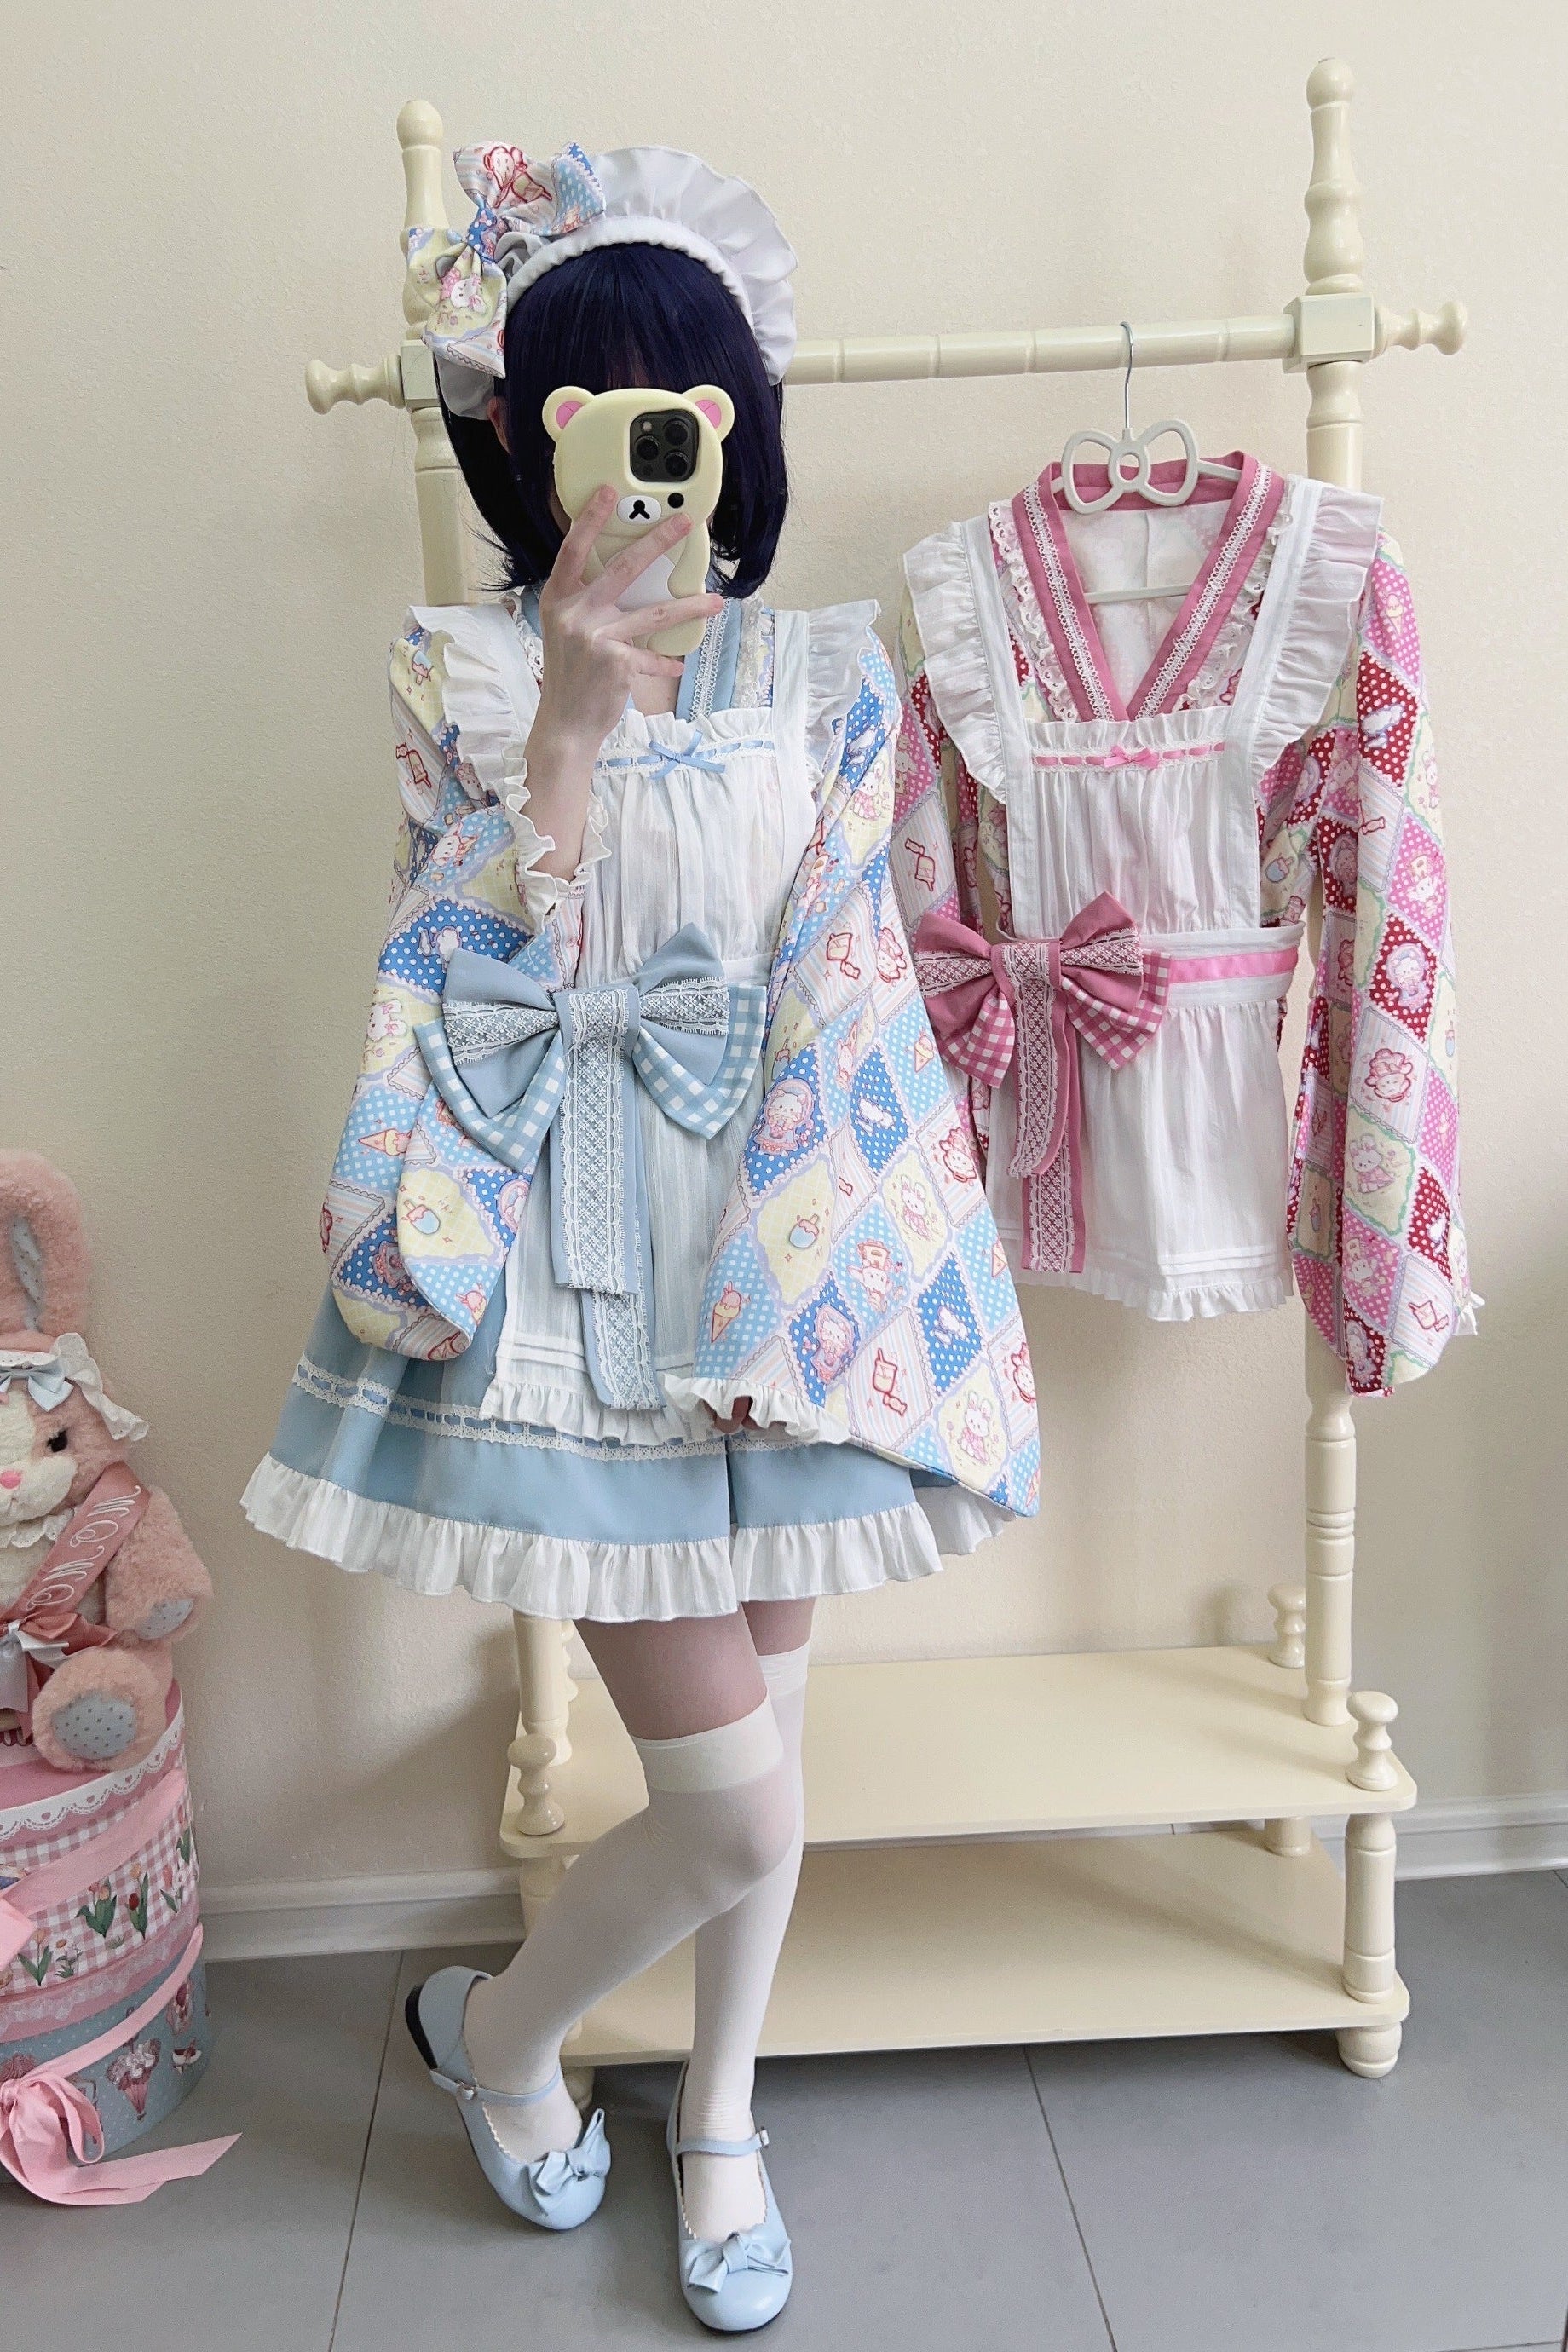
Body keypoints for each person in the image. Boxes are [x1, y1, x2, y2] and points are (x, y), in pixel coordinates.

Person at [245, 138, 1037, 2334]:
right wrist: (573, 730)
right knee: (739, 1811)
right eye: (588, 413)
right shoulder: (459, 680)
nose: (640, 463)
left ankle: (722, 2118)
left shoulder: (831, 682)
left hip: (765, 1271)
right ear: (529, 438)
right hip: (563, 1296)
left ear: (735, 426)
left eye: (681, 410)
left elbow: (853, 1006)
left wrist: (855, 1296)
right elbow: (452, 1006)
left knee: (763, 1759)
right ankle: (503, 2038)